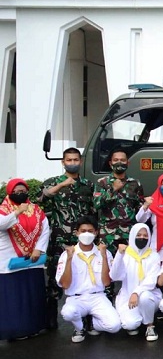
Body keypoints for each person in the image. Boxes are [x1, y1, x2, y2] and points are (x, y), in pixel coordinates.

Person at [40, 147, 95, 329]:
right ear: (63, 162)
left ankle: (87, 319)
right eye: (69, 160)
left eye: (75, 160)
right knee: (55, 278)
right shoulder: (53, 182)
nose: (72, 163)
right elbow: (41, 199)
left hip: (82, 241)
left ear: (80, 161)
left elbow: (92, 212)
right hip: (59, 240)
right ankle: (49, 320)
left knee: (85, 276)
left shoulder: (88, 185)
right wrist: (61, 185)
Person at [56, 216, 121, 343]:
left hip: (97, 297)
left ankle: (93, 322)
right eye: (83, 231)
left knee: (115, 326)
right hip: (76, 297)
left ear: (96, 233)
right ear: (77, 233)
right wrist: (69, 259)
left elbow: (107, 282)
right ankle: (80, 327)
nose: (86, 234)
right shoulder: (68, 254)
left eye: (90, 231)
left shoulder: (104, 252)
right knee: (68, 313)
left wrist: (102, 256)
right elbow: (65, 284)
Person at [0, 179, 50, 340]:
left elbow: (45, 229)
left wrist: (38, 248)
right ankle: (14, 331)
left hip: (32, 260)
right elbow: (1, 225)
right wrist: (16, 213)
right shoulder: (3, 209)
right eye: (17, 191)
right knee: (14, 298)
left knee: (32, 295)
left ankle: (34, 327)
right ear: (9, 192)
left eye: (23, 190)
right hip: (9, 260)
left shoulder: (35, 209)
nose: (21, 193)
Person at [110, 223, 162, 341]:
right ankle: (139, 317)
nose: (142, 238)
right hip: (128, 298)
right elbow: (115, 276)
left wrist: (136, 292)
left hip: (149, 296)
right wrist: (119, 255)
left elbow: (151, 280)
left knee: (145, 297)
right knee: (130, 324)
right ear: (132, 235)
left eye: (145, 235)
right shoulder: (125, 254)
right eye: (138, 235)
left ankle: (149, 325)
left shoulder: (153, 255)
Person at [93, 148, 145, 253]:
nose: (119, 162)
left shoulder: (135, 183)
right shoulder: (102, 182)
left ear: (128, 163)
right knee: (107, 264)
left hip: (128, 234)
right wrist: (112, 189)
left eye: (122, 160)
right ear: (110, 163)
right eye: (116, 160)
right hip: (108, 234)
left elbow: (140, 210)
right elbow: (96, 204)